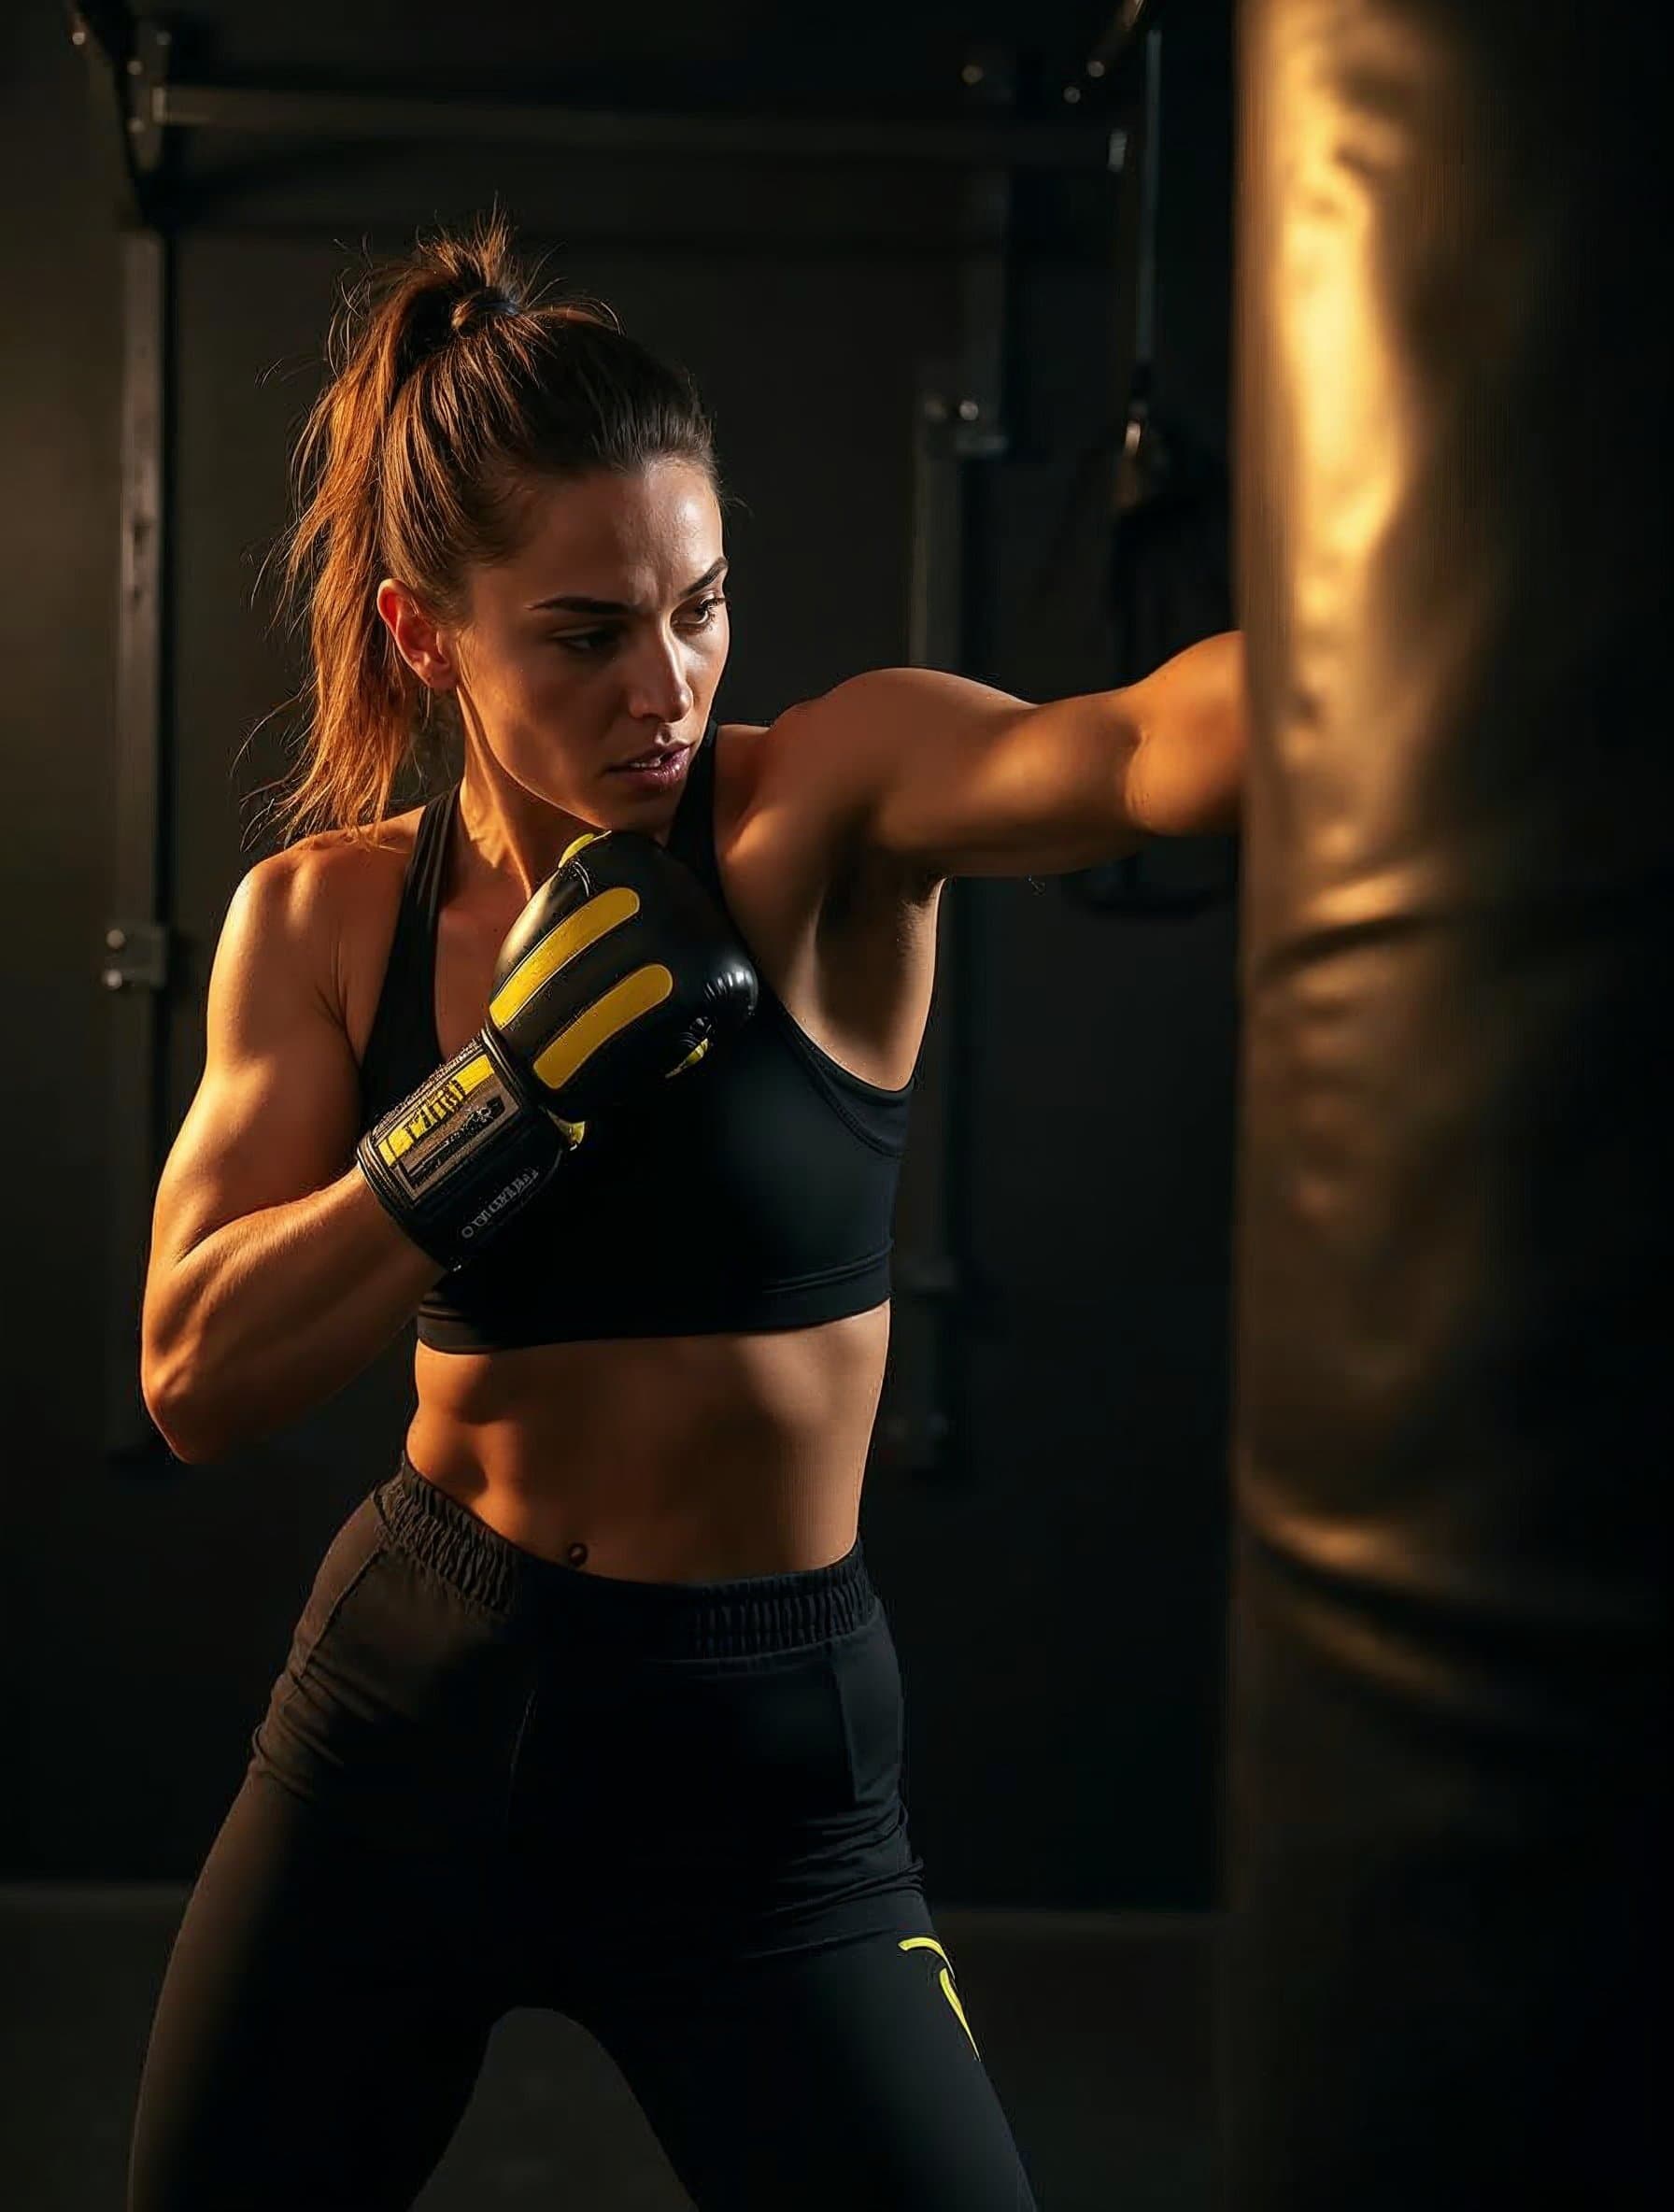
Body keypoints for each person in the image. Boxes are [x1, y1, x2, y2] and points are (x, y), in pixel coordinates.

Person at [128, 212, 1244, 2211]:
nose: (665, 683)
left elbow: (1146, 749)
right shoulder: (322, 922)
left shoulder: (822, 806)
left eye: (700, 604)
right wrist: (500, 1100)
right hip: (408, 1707)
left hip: (759, 1766)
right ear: (421, 634)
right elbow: (195, 1372)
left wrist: (1449, 560)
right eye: (582, 630)